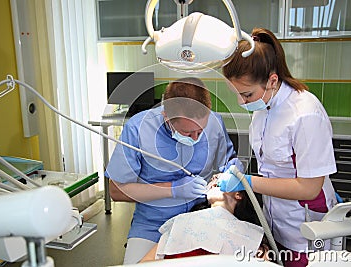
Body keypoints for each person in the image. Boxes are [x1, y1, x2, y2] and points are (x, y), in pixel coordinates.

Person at [220, 28, 338, 267]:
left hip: (305, 225)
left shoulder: (305, 114)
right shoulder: (264, 106)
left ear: (272, 80)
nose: (241, 102)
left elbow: (309, 189)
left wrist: (248, 182)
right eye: (236, 94)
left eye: (246, 94)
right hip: (276, 222)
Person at [105, 77, 236, 264]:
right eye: (188, 132)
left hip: (201, 219)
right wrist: (172, 189)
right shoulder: (137, 129)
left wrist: (231, 174)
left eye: (201, 131)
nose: (196, 137)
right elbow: (116, 190)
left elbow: (228, 164)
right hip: (152, 225)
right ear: (167, 116)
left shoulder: (215, 122)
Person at [140, 176, 267, 262]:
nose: (214, 178)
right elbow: (146, 263)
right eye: (213, 178)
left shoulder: (250, 234)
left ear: (238, 194)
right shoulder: (182, 221)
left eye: (220, 177)